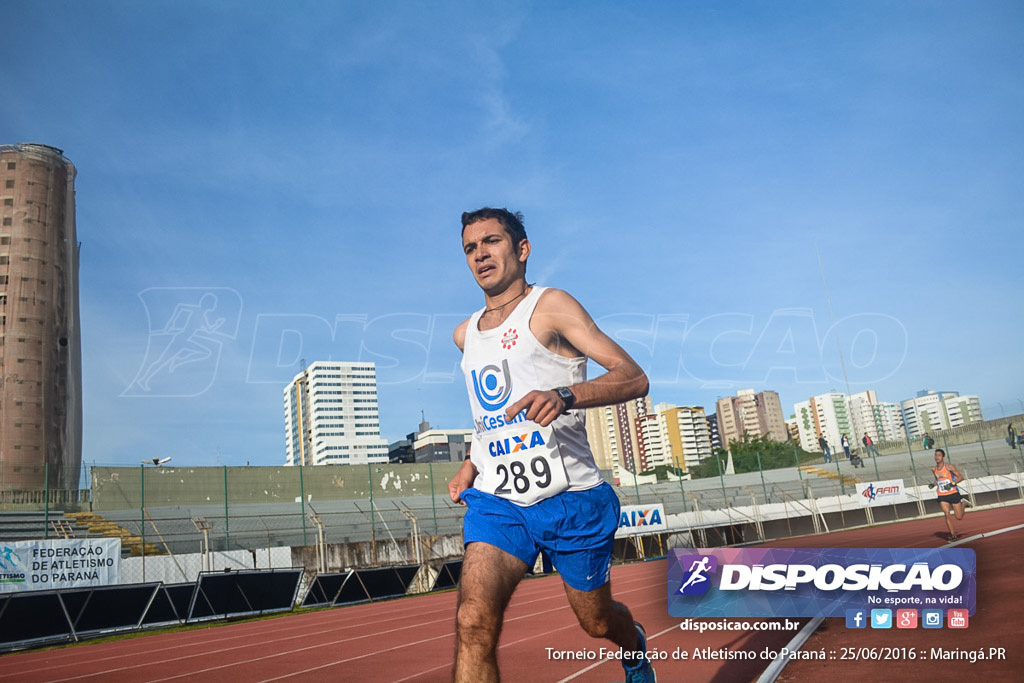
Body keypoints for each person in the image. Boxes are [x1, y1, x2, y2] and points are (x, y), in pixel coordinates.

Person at [447, 208, 655, 683]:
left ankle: (633, 644)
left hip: (572, 500)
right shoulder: (465, 335)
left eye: (491, 242)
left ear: (521, 249)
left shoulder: (552, 306)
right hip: (500, 502)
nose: (480, 254)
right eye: (470, 248)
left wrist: (565, 396)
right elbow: (488, 418)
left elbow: (634, 376)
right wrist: (470, 466)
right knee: (472, 621)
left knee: (597, 621)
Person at [930, 448, 970, 541]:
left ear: (943, 457)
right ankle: (953, 536)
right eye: (936, 455)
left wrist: (952, 484)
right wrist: (933, 484)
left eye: (939, 455)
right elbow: (938, 479)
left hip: (953, 493)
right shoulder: (933, 469)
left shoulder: (949, 467)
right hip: (942, 494)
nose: (937, 457)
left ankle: (963, 504)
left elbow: (960, 477)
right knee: (947, 514)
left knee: (959, 517)